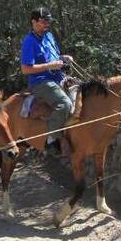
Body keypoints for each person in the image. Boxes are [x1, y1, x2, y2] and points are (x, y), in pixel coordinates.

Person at [20, 8, 74, 157]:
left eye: (48, 22)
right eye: (43, 22)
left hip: (58, 77)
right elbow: (25, 69)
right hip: (41, 81)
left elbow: (55, 57)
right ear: (34, 22)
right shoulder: (29, 42)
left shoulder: (49, 36)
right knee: (65, 104)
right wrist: (50, 66)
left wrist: (64, 58)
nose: (46, 25)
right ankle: (51, 139)